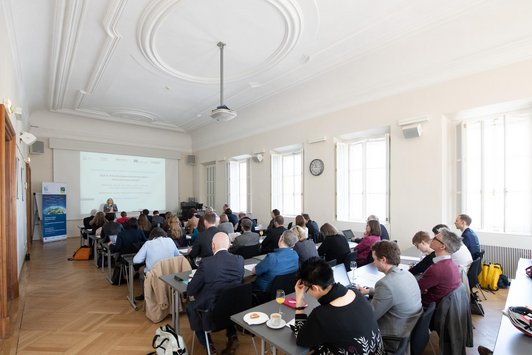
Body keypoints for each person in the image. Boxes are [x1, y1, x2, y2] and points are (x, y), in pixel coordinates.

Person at [293, 257, 384, 354]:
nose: (307, 293)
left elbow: (301, 339)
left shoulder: (321, 315)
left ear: (315, 288)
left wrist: (299, 300)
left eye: (306, 290)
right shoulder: (356, 293)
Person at [187, 233, 244, 354]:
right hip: (233, 309)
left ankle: (208, 345)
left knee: (191, 307)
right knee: (225, 298)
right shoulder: (239, 260)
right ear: (229, 245)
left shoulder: (207, 263)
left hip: (210, 313)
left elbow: (190, 290)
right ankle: (232, 336)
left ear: (213, 245)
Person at [358, 241, 422, 344]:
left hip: (394, 334)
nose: (373, 262)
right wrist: (368, 291)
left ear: (383, 260)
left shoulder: (385, 284)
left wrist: (355, 302)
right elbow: (395, 292)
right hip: (410, 326)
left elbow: (370, 316)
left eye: (374, 259)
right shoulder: (406, 273)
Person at [133, 227, 180, 300]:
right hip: (169, 272)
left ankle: (145, 294)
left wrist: (147, 257)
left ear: (152, 236)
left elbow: (136, 260)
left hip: (154, 274)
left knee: (141, 271)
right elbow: (178, 255)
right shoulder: (170, 240)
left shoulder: (148, 243)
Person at [418, 228, 462, 306]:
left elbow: (416, 288)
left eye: (435, 238)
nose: (431, 239)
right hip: (440, 304)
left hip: (426, 306)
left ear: (442, 246)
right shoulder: (453, 265)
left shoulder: (437, 269)